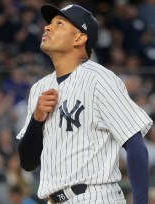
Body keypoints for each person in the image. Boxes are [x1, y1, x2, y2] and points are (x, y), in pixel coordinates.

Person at [17, 4, 153, 204]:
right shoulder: (40, 88)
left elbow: (135, 146)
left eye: (59, 24)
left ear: (79, 38)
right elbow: (28, 163)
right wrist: (36, 120)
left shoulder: (99, 79)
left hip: (94, 196)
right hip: (53, 199)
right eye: (49, 23)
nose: (47, 27)